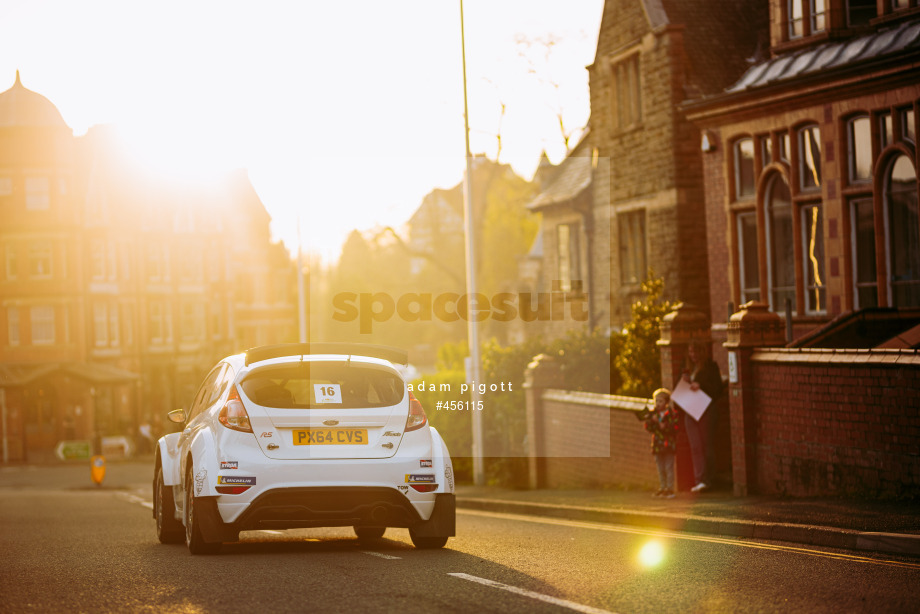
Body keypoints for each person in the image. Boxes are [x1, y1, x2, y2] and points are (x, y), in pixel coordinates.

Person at [681, 341, 724, 493]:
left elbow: (718, 389)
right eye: (690, 352)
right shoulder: (689, 368)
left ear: (702, 352)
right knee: (695, 446)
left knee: (706, 445)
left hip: (706, 409)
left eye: (695, 352)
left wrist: (701, 386)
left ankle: (708, 480)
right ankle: (699, 479)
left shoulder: (710, 367)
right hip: (691, 410)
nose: (693, 355)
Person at [644, 388, 679, 498]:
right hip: (657, 445)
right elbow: (649, 428)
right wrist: (650, 421)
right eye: (656, 401)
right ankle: (662, 487)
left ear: (666, 402)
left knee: (668, 467)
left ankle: (670, 488)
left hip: (669, 445)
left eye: (660, 401)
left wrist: (665, 426)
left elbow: (676, 428)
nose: (658, 404)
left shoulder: (672, 414)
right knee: (660, 468)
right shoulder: (653, 414)